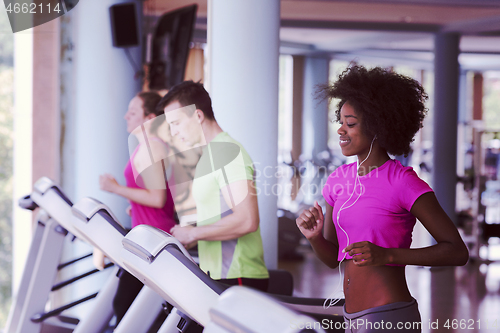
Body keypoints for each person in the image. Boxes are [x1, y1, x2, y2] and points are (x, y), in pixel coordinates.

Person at [296, 65, 469, 333]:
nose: (341, 130)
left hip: (389, 316)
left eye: (350, 123)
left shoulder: (403, 182)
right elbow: (333, 259)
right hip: (349, 317)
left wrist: (388, 254)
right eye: (340, 122)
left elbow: (457, 251)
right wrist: (314, 237)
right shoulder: (337, 180)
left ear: (378, 126)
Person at [156, 81, 269, 291]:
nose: (173, 132)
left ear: (198, 116)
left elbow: (247, 219)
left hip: (238, 275)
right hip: (217, 274)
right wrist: (191, 234)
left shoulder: (227, 153)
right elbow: (221, 216)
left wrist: (192, 234)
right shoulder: (210, 155)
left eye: (176, 123)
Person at [97, 91, 177, 325]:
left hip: (154, 240)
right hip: (145, 235)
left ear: (150, 118)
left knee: (126, 305)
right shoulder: (145, 147)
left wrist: (115, 188)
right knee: (127, 307)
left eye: (133, 112)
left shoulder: (152, 148)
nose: (125, 117)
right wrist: (135, 206)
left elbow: (157, 199)